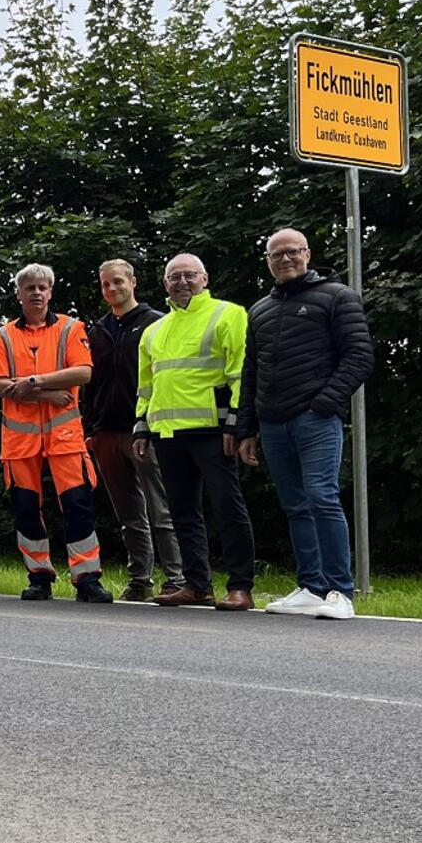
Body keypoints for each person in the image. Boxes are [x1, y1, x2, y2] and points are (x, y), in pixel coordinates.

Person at [236, 229, 374, 621]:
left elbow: (360, 356)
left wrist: (325, 404)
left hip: (315, 419)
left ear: (307, 254)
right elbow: (251, 372)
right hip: (272, 423)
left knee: (321, 496)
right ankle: (312, 587)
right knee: (295, 504)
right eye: (276, 254)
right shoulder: (259, 309)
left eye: (292, 252)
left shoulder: (337, 296)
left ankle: (340, 592)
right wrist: (246, 429)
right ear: (267, 260)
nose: (284, 259)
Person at [133, 253, 256, 611]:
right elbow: (146, 386)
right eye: (174, 277)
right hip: (168, 433)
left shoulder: (228, 313)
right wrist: (141, 428)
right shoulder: (154, 330)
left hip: (214, 430)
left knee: (227, 505)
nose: (182, 282)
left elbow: (239, 373)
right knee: (182, 512)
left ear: (205, 278)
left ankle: (240, 586)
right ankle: (197, 585)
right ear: (165, 283)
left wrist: (237, 422)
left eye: (189, 275)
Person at [0, 264, 112, 603]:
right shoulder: (0, 336)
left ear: (51, 291)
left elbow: (83, 373)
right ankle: (38, 575)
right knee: (26, 509)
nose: (37, 293)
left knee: (77, 505)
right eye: (30, 288)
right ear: (19, 293)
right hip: (20, 441)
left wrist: (31, 383)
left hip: (66, 437)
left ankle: (86, 577)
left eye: (42, 287)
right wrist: (49, 392)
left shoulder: (72, 328)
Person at [82, 259, 185, 602]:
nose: (112, 289)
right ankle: (140, 579)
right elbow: (91, 384)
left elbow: (165, 377)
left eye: (118, 282)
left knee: (161, 508)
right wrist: (90, 428)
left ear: (133, 282)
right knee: (128, 514)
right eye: (106, 284)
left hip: (145, 429)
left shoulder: (156, 323)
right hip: (106, 432)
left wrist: (153, 424)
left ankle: (176, 578)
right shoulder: (98, 330)